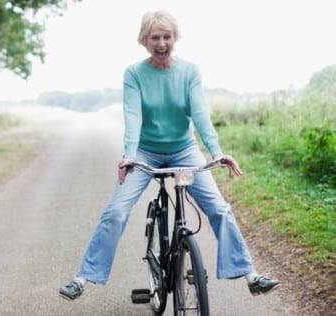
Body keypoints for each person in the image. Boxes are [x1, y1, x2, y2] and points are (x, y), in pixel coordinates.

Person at [59, 10, 280, 301]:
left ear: (175, 38)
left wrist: (216, 152)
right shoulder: (135, 74)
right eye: (155, 38)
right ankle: (83, 278)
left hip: (184, 151)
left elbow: (200, 115)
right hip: (145, 153)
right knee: (116, 211)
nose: (161, 43)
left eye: (167, 37)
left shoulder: (189, 71)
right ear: (144, 41)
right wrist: (128, 156)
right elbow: (133, 117)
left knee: (219, 208)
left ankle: (251, 276)